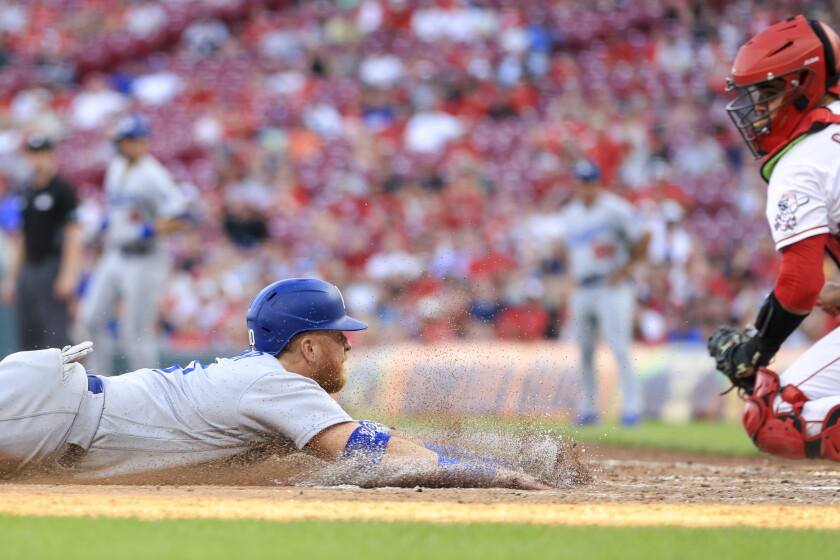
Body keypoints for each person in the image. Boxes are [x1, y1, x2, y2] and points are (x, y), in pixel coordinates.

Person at [0, 278, 551, 489]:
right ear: (308, 347)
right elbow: (366, 452)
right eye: (338, 335)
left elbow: (374, 436)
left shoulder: (264, 380)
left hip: (51, 407)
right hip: (48, 414)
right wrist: (494, 475)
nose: (349, 344)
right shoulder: (278, 387)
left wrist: (475, 460)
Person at [708, 15, 840, 462]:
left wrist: (757, 347)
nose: (757, 107)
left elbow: (801, 283)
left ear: (806, 82)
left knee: (773, 415)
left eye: (768, 91)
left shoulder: (801, 162)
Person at [76, 114, 190, 376]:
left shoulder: (153, 175)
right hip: (116, 254)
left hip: (145, 258)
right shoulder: (116, 165)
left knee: (135, 332)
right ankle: (98, 380)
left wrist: (146, 230)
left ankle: (150, 394)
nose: (126, 145)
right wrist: (101, 230)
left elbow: (182, 217)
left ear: (143, 142)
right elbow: (118, 209)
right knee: (90, 318)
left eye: (132, 140)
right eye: (123, 140)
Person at [557, 160, 651, 426]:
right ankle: (588, 409)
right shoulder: (571, 212)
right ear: (576, 185)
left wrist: (626, 269)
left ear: (598, 183)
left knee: (619, 347)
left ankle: (632, 408)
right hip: (582, 287)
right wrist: (569, 276)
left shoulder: (614, 208)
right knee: (585, 351)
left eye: (590, 183)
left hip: (611, 287)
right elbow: (568, 248)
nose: (585, 188)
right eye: (581, 183)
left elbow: (644, 236)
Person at [1, 134, 83, 350]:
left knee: (55, 335)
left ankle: (63, 383)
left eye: (43, 154)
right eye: (34, 154)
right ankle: (33, 384)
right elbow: (22, 236)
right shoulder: (26, 191)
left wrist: (68, 275)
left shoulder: (62, 189)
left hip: (52, 265)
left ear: (51, 155)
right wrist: (11, 277)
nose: (38, 159)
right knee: (29, 334)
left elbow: (73, 234)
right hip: (30, 268)